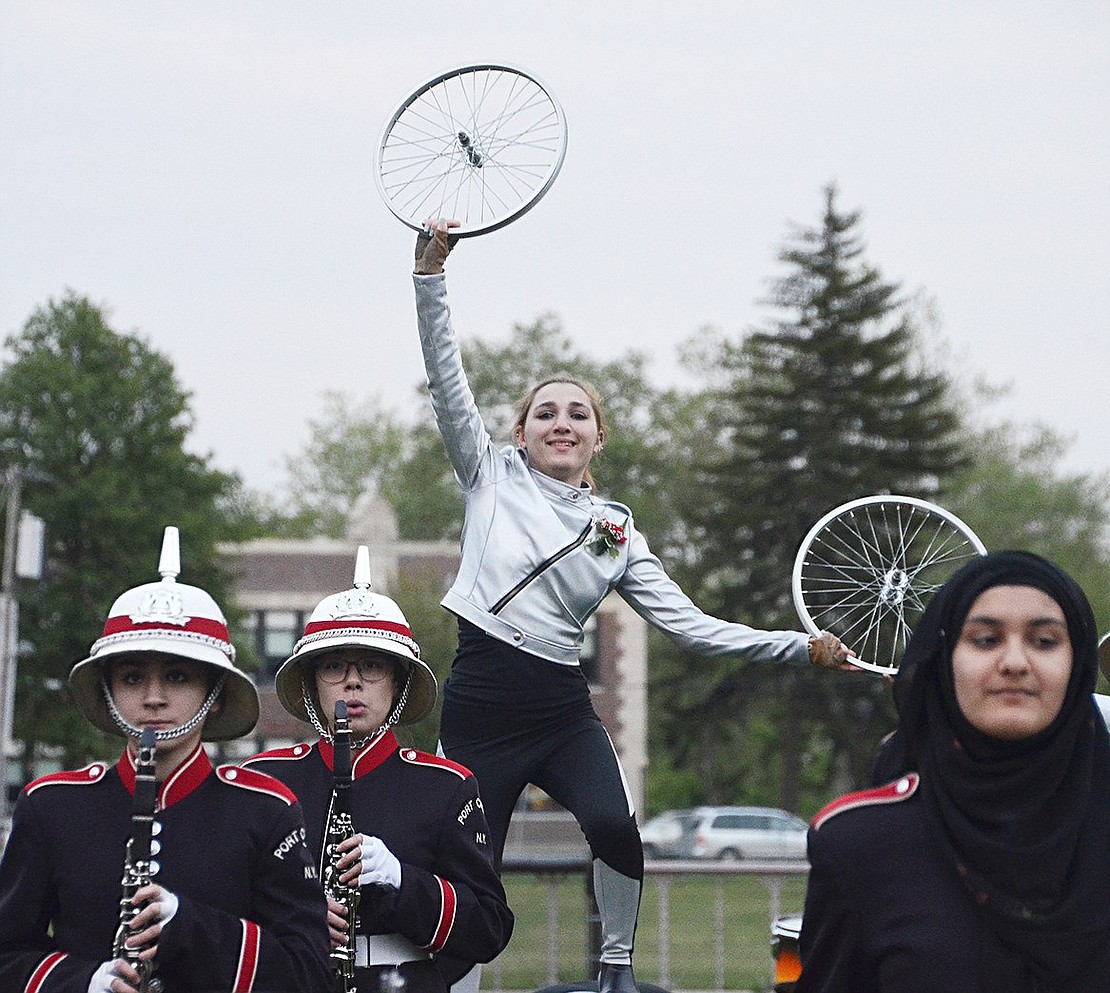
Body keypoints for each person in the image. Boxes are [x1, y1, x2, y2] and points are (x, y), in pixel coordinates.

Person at [412, 221, 852, 993]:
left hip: (559, 706)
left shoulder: (615, 532)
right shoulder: (488, 475)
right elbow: (446, 375)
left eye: (577, 414)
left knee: (617, 827)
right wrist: (429, 277)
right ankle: (459, 983)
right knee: (467, 862)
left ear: (597, 438)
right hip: (480, 703)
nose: (560, 423)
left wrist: (799, 642)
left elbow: (692, 625)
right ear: (521, 431)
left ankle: (616, 970)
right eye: (545, 412)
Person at [0, 526, 332, 993]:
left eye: (177, 677)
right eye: (133, 678)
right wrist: (83, 982)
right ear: (108, 690)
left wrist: (188, 925)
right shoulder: (51, 805)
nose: (153, 698)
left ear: (214, 694)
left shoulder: (265, 809)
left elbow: (311, 971)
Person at [795, 550, 1110, 993]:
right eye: (985, 640)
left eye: (1044, 641)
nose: (1015, 662)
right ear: (944, 661)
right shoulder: (860, 845)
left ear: (1078, 666)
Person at [243, 546, 513, 993]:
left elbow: (488, 926)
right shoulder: (266, 780)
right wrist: (294, 917)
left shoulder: (445, 786)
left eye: (372, 665)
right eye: (333, 666)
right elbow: (223, 904)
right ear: (311, 684)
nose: (353, 681)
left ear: (398, 683)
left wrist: (402, 881)